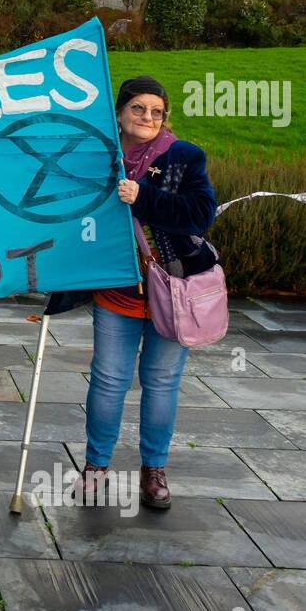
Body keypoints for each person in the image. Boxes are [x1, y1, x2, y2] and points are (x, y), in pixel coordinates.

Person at [44, 75, 218, 510]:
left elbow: (200, 215)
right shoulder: (98, 155)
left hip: (172, 291)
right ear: (119, 112)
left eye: (157, 111)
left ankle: (154, 470)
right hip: (118, 292)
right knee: (108, 381)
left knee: (160, 383)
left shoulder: (183, 157)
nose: (147, 117)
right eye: (138, 108)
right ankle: (96, 466)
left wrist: (144, 197)